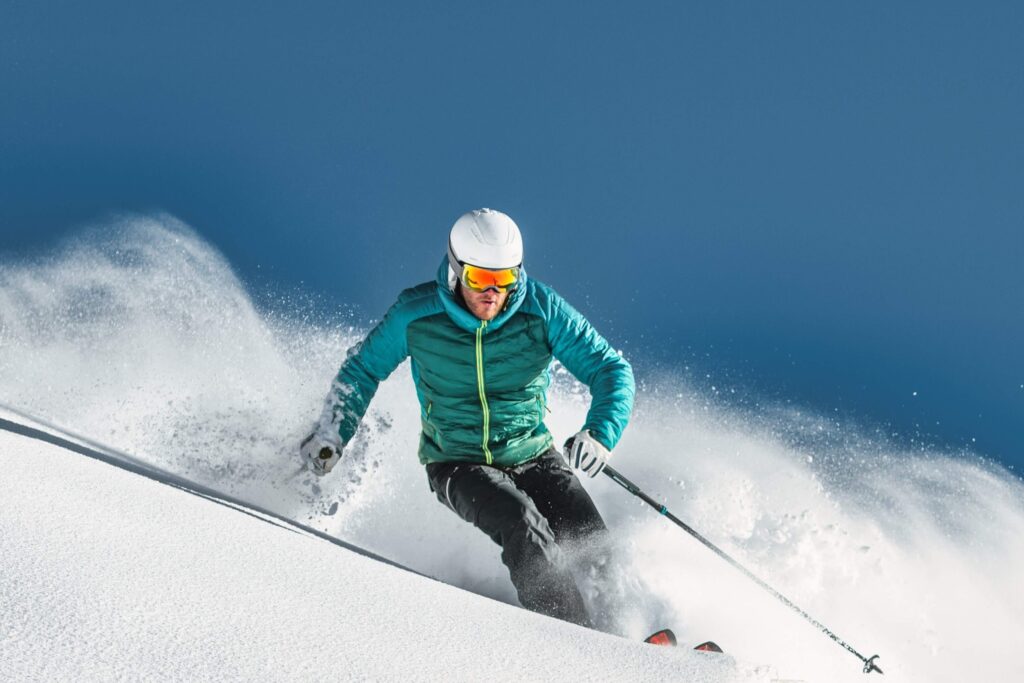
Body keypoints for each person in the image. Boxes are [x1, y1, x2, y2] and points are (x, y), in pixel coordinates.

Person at [300, 208, 634, 628]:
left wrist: (600, 433)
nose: (493, 292)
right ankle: (579, 638)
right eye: (480, 279)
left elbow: (611, 368)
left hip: (532, 452)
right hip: (457, 462)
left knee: (592, 542)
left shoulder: (541, 309)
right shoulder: (416, 314)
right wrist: (334, 431)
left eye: (505, 279)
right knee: (522, 525)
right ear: (457, 271)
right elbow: (363, 369)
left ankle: (631, 633)